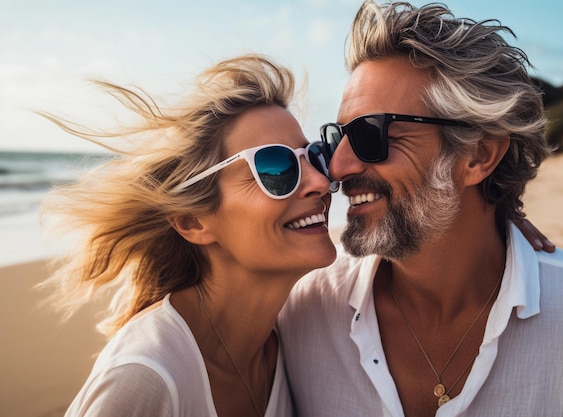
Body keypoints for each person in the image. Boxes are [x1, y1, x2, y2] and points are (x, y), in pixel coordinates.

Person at [278, 1, 563, 416]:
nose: (338, 166)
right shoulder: (301, 313)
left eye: (371, 134)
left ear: (478, 156)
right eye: (337, 138)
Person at [38, 54, 339, 417]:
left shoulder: (290, 342)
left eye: (315, 156)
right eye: (276, 166)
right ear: (192, 221)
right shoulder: (143, 377)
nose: (321, 183)